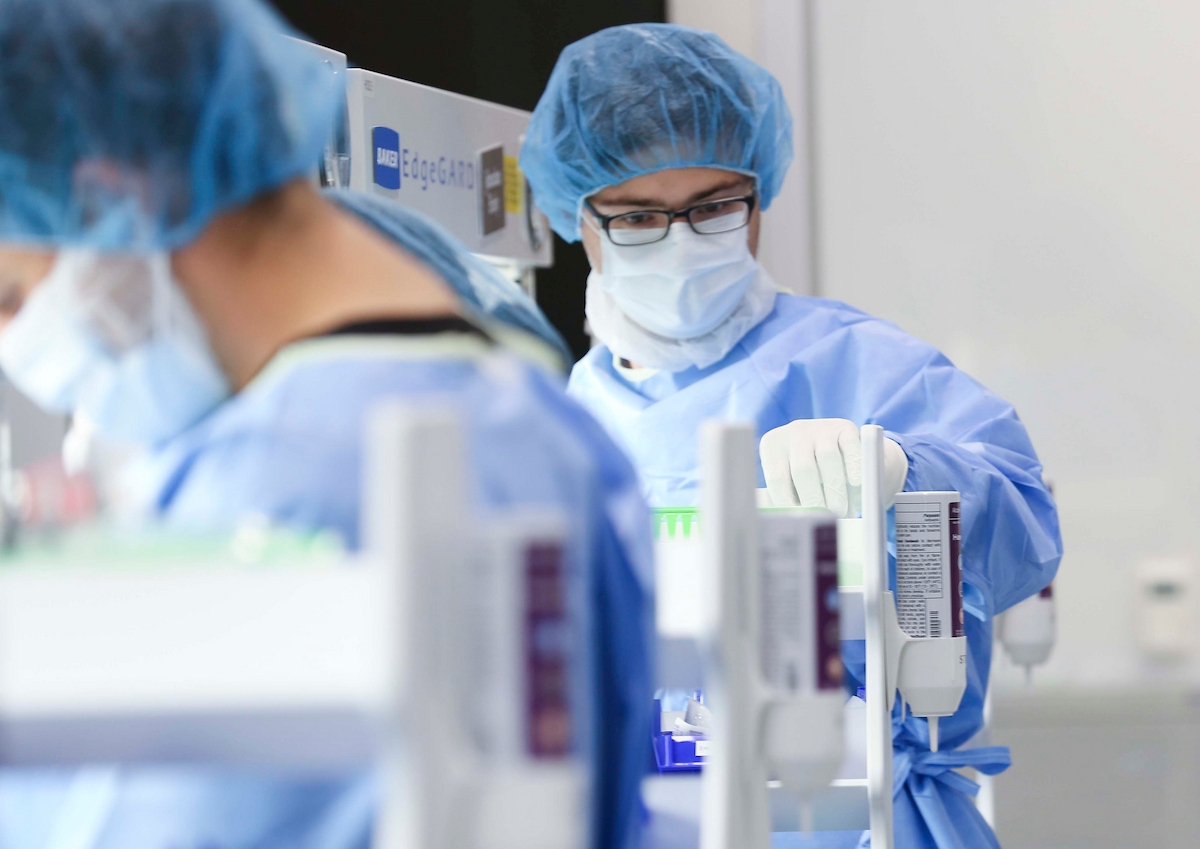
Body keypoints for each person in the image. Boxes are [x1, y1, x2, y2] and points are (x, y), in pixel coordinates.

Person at [0, 2, 652, 849]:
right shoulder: (526, 409)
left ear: (119, 197)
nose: (20, 346)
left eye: (12, 298)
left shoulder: (297, 482)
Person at [521, 23, 1062, 849]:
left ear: (759, 197)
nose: (679, 242)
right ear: (577, 217)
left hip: (859, 823)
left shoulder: (855, 365)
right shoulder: (554, 424)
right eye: (637, 216)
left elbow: (1023, 514)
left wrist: (906, 472)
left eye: (712, 208)